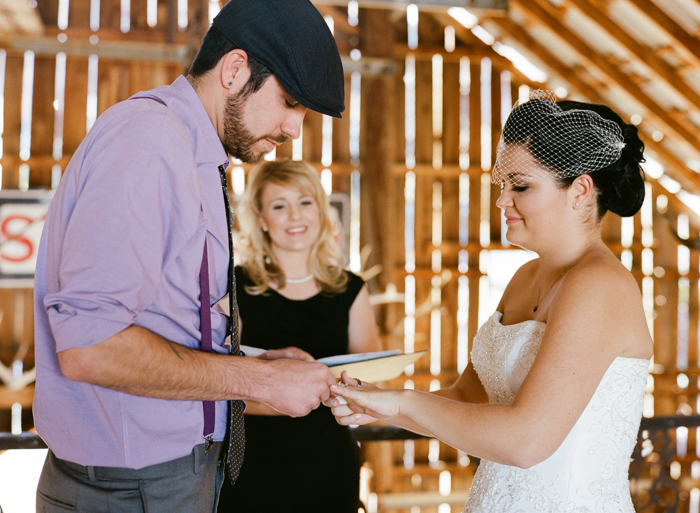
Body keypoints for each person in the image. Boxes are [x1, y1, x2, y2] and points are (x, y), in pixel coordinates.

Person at [33, 1, 345, 511]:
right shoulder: (148, 142)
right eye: (289, 101)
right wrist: (258, 380)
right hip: (127, 489)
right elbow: (91, 345)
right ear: (235, 69)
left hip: (163, 478)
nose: (294, 130)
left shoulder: (192, 151)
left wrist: (256, 362)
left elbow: (167, 327)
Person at [329, 90, 653, 512]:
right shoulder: (524, 278)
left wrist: (400, 402)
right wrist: (377, 404)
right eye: (503, 183)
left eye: (521, 186)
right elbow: (469, 399)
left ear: (581, 190)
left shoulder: (600, 286)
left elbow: (528, 440)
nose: (502, 199)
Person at [216, 159, 380, 513]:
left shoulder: (350, 288)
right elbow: (218, 388)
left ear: (320, 211)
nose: (295, 216)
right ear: (260, 219)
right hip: (252, 468)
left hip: (328, 465)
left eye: (305, 202)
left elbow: (369, 381)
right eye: (279, 206)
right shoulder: (236, 288)